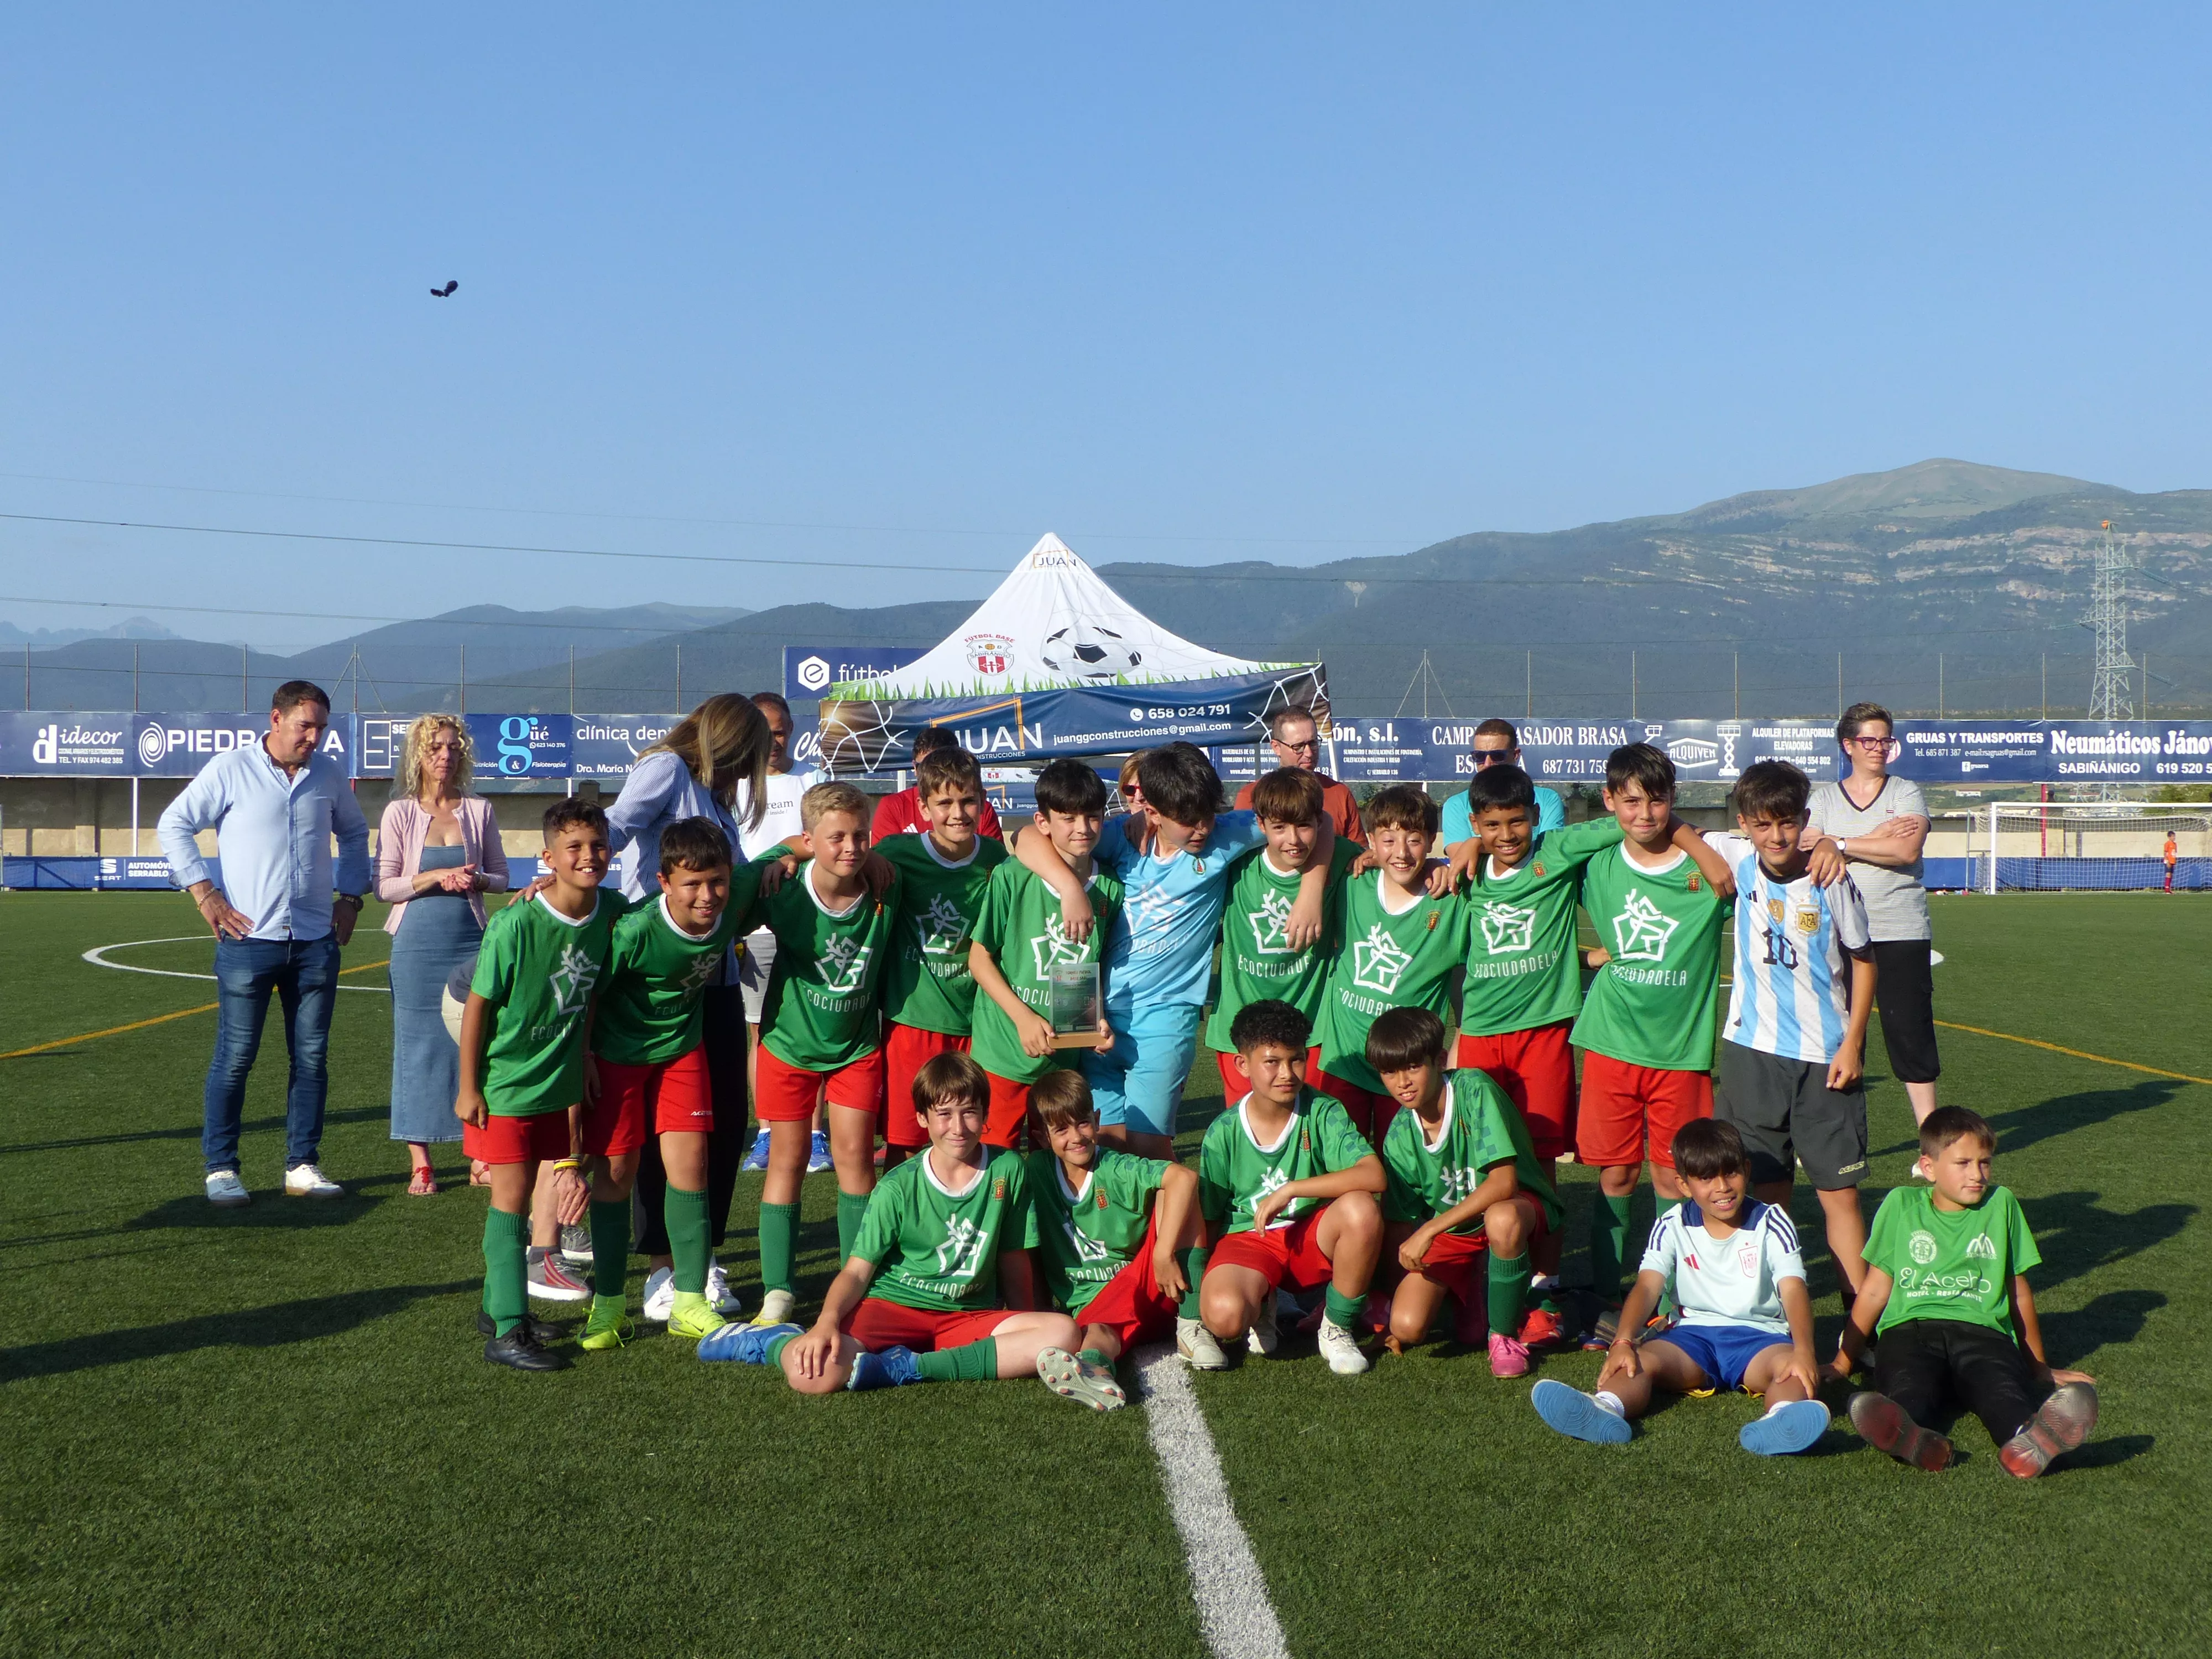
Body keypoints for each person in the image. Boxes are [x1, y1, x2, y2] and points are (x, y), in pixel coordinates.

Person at [1448, 760, 1725, 1342]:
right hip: (1547, 1038)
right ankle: (1506, 1276)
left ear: (1534, 819)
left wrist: (1703, 851)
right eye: (1490, 827)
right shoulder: (1474, 872)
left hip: (1587, 1035)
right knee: (1559, 1168)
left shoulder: (1566, 851)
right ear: (1476, 825)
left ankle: (1594, 1285)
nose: (1505, 835)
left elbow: (1645, 821)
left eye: (1516, 822)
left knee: (1607, 1166)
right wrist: (1459, 850)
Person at [701, 1053, 1117, 1410]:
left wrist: (1029, 1317)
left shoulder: (1007, 1169)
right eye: (944, 1114)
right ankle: (770, 1342)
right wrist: (826, 1323)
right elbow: (857, 1272)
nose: (958, 1126)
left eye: (970, 1111)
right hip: (893, 1309)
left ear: (986, 1115)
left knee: (1061, 1333)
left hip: (966, 1314)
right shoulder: (898, 1185)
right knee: (811, 1376)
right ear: (922, 1118)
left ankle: (908, 1368)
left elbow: (1012, 1256)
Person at [1015, 742, 1332, 1160]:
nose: (1202, 828)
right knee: (1102, 1150)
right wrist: (1071, 888)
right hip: (1090, 1010)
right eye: (1187, 820)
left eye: (1207, 815)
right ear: (1152, 813)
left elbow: (1321, 820)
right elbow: (1025, 837)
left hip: (1166, 1017)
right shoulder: (1118, 839)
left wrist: (1311, 891)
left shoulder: (1226, 834)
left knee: (1149, 1149)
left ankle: (1174, 1227)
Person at [159, 679, 369, 1208]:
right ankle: (221, 1168)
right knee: (235, 1058)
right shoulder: (231, 769)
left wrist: (352, 898)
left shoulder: (327, 774)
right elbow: (175, 822)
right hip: (249, 940)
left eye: (321, 727)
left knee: (312, 1059)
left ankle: (302, 1164)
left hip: (317, 939)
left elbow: (357, 833)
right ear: (275, 719)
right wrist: (203, 891)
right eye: (305, 726)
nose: (314, 737)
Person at [604, 691, 776, 1316]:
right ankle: (659, 1268)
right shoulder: (668, 770)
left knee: (725, 1124)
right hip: (661, 983)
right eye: (758, 749)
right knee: (666, 1134)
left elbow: (737, 877)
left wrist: (780, 867)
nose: (762, 763)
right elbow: (616, 825)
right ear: (733, 741)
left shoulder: (715, 798)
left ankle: (700, 1259)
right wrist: (565, 870)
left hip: (718, 980)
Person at [579, 817, 779, 1350]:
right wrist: (585, 1057)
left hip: (681, 1052)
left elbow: (792, 848)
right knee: (617, 1171)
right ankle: (609, 1307)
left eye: (716, 881)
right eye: (691, 884)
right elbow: (591, 991)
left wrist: (802, 853)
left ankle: (689, 1302)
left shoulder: (733, 896)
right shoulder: (637, 931)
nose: (707, 895)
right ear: (664, 882)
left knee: (692, 1167)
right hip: (620, 1055)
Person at [1530, 1119, 1832, 1455]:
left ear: (1746, 1170)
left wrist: (1804, 1350)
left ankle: (1783, 1419)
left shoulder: (1772, 1221)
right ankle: (1605, 1407)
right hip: (1691, 1338)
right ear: (1684, 1185)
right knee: (1638, 1361)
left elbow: (1793, 1289)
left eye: (1731, 1173)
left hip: (1760, 1338)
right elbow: (1647, 1286)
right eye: (1706, 1178)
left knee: (1790, 1370)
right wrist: (1623, 1341)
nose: (1722, 1187)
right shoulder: (1672, 1223)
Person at [1833, 1108, 2099, 1477]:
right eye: (1963, 1163)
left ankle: (2029, 1440)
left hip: (1984, 1333)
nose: (1977, 1174)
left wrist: (2038, 1366)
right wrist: (1845, 1359)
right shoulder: (1901, 1205)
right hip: (1912, 1330)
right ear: (1929, 1168)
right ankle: (1915, 1438)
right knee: (1909, 1386)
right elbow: (1876, 1289)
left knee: (2001, 1392)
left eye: (1985, 1162)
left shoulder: (2001, 1203)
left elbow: (2018, 1291)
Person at [452, 798, 622, 1371]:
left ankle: (500, 1308)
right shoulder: (517, 921)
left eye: (597, 845)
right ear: (547, 858)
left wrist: (589, 1054)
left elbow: (593, 992)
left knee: (525, 1195)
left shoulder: (611, 911)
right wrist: (468, 1086)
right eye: (573, 848)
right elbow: (478, 1006)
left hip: (559, 1079)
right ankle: (506, 1333)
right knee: (510, 1203)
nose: (588, 857)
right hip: (507, 1085)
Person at [1568, 743, 1734, 1325]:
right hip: (1612, 1045)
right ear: (1610, 801)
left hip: (1680, 1054)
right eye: (1630, 800)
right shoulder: (1596, 863)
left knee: (1672, 1174)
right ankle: (1602, 1293)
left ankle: (1674, 1300)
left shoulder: (1710, 869)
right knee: (1615, 1173)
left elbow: (1770, 851)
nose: (1644, 813)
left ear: (1674, 801)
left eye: (1657, 800)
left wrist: (1696, 844)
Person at [1712, 760, 1875, 1311]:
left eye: (1787, 823)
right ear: (1744, 825)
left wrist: (1853, 1043)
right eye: (1762, 825)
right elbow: (1679, 833)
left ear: (1803, 819)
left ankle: (1863, 1324)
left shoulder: (1830, 877)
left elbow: (1864, 962)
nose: (1775, 836)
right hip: (1751, 1054)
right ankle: (1768, 1311)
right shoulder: (1736, 859)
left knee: (1839, 1195)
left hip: (1823, 1058)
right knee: (1765, 1191)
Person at [750, 781, 900, 1325]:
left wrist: (879, 855)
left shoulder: (888, 882)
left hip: (856, 1049)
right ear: (810, 839)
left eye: (861, 836)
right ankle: (778, 1291)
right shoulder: (782, 889)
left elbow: (903, 854)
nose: (851, 848)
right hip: (788, 1048)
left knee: (856, 1161)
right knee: (786, 1161)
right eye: (836, 837)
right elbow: (745, 872)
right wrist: (781, 853)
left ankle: (856, 1284)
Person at [1368, 1009, 1562, 1377]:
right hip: (1456, 1231)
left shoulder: (1474, 1090)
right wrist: (1394, 1304)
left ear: (1440, 1061)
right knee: (1408, 1326)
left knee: (1500, 1217)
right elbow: (1398, 1221)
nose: (1402, 1082)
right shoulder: (1397, 1136)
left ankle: (1503, 1336)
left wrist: (1428, 1231)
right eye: (1390, 1072)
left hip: (1519, 1210)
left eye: (1412, 1067)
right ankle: (1474, 1281)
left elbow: (1504, 1182)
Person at [1197, 1000, 1385, 1376]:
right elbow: (1208, 1217)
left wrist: (1293, 1189)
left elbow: (1373, 1175)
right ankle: (1263, 1297)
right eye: (1272, 1062)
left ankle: (1336, 1326)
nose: (1287, 1073)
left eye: (1296, 1059)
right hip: (1251, 1238)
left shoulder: (1323, 1111)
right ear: (1242, 1064)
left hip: (1308, 1237)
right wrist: (1194, 1307)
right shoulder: (1223, 1132)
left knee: (1361, 1209)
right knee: (1225, 1316)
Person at [375, 714, 510, 1196]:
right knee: (417, 1049)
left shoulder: (478, 809)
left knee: (476, 1046)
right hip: (416, 944)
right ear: (417, 754)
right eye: (435, 748)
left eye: (453, 748)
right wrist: (433, 878)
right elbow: (385, 887)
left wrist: (474, 880)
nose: (445, 756)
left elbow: (501, 877)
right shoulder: (399, 813)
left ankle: (479, 1156)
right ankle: (421, 1162)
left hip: (471, 942)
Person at [968, 759, 1121, 1150]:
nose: (1082, 829)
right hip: (1004, 1051)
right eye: (1068, 818)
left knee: (1054, 1165)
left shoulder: (1112, 889)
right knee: (994, 1162)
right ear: (1043, 822)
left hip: (1063, 1061)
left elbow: (1092, 968)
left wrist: (1096, 1023)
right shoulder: (1013, 877)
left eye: (1092, 817)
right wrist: (1023, 1019)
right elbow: (979, 959)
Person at [1027, 1068, 1209, 1384]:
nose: (1076, 1137)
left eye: (1083, 1122)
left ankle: (1193, 1323)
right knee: (1097, 1334)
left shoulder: (1113, 1166)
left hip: (1152, 1291)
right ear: (1043, 1138)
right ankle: (1092, 1373)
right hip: (1092, 1309)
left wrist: (1164, 1253)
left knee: (1175, 1192)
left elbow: (1185, 1177)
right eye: (1061, 1130)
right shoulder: (1034, 1173)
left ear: (1097, 1120)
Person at [875, 744, 1008, 1170]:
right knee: (908, 1144)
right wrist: (784, 858)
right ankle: (905, 1232)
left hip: (978, 1023)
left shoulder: (995, 860)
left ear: (983, 801)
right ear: (923, 805)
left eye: (968, 800)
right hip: (913, 1021)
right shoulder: (897, 852)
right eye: (945, 802)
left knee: (972, 1140)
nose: (958, 812)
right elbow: (836, 854)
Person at [1309, 785, 1466, 1144]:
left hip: (1408, 1071)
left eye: (1413, 840)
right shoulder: (1353, 881)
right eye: (1388, 840)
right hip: (1344, 1059)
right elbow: (1315, 827)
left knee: (1403, 1181)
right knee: (1342, 1171)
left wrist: (1459, 854)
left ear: (1431, 840)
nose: (1401, 853)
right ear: (1371, 840)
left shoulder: (1453, 899)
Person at [1808, 702, 1940, 1129]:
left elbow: (1906, 850)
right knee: (1842, 1036)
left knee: (1910, 1033)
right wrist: (1871, 838)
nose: (1879, 748)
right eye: (1869, 740)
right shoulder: (1824, 798)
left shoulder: (1905, 792)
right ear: (1848, 745)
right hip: (1838, 932)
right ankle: (1834, 1135)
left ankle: (1930, 1139)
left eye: (1885, 740)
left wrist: (1841, 843)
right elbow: (1809, 850)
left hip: (1900, 927)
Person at [1203, 766, 1361, 1103]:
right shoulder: (1236, 861)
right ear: (1260, 826)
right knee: (1248, 1135)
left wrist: (1440, 865)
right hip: (1239, 1029)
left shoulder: (1342, 856)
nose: (1293, 839)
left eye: (1304, 825)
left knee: (1310, 1135)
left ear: (1319, 821)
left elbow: (1391, 865)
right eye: (1279, 828)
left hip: (1312, 1030)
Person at [734, 691, 831, 1175]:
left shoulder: (811, 779)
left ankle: (815, 1135)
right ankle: (768, 1132)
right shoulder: (734, 787)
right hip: (755, 925)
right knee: (760, 1031)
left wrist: (796, 856)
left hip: (808, 918)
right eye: (766, 731)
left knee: (811, 1021)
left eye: (782, 730)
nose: (775, 741)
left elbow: (830, 841)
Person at [1231, 706, 1366, 844]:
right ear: (1276, 747)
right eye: (1298, 747)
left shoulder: (1339, 794)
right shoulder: (1250, 796)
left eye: (1313, 743)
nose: (1309, 753)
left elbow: (1359, 854)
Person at [1440, 719, 1567, 858]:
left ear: (1515, 755)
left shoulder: (1548, 799)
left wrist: (1476, 844)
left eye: (1497, 756)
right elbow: (1461, 858)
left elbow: (1549, 851)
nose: (1488, 764)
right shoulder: (1456, 805)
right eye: (1480, 756)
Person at [870, 728, 1005, 841]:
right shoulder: (892, 806)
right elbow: (883, 865)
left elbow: (995, 865)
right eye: (924, 766)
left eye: (943, 765)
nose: (958, 814)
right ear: (915, 768)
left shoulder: (980, 809)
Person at [2164, 829, 2178, 893]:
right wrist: (2167, 861)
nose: (2174, 838)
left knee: (2171, 875)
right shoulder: (2167, 844)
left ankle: (2169, 889)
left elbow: (2175, 853)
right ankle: (2167, 889)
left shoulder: (2175, 844)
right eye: (2173, 836)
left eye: (2174, 836)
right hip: (2168, 861)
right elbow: (2165, 853)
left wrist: (2176, 860)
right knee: (2168, 874)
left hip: (2173, 861)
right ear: (2169, 837)